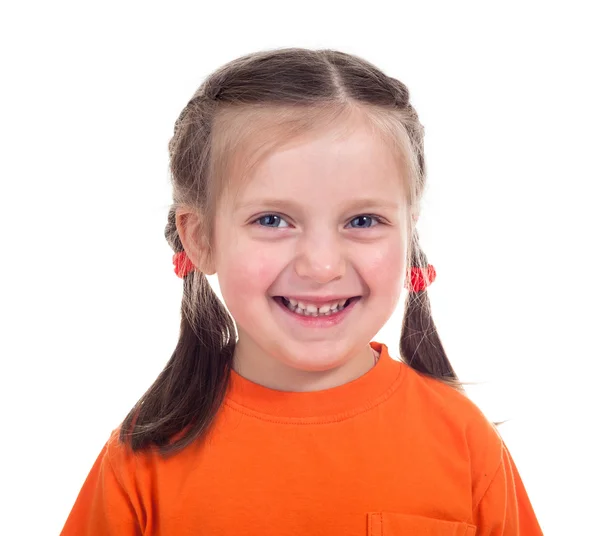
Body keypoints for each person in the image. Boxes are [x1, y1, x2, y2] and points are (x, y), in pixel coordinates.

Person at [61, 47, 543, 535]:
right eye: (272, 220)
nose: (321, 266)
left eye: (363, 220)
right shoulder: (143, 457)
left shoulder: (463, 441)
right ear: (201, 239)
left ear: (408, 235)